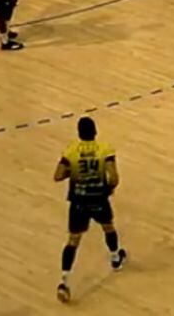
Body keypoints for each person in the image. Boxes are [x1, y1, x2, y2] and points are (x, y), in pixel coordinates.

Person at [54, 116, 126, 304]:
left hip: (78, 202)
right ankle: (115, 257)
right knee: (108, 227)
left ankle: (64, 280)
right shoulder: (104, 150)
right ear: (95, 131)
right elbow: (114, 178)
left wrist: (74, 171)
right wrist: (108, 189)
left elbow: (58, 175)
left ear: (79, 133)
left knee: (73, 241)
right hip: (98, 199)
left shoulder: (71, 151)